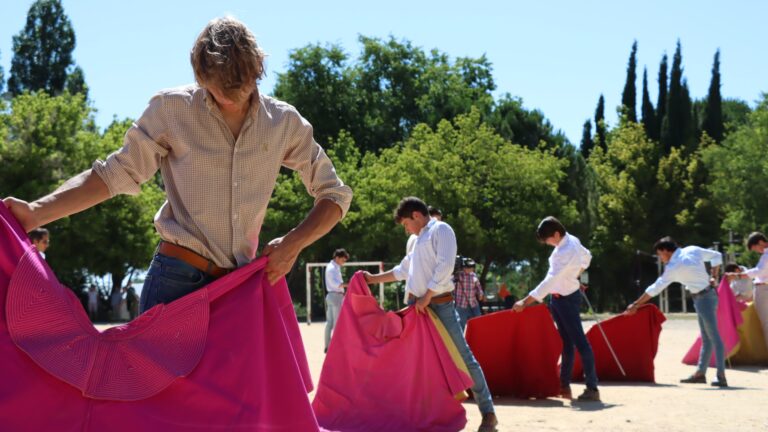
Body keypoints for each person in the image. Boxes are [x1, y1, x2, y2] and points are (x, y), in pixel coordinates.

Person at [3, 17, 352, 315]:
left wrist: (294, 243)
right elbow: (114, 174)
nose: (229, 101)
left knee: (240, 397)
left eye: (240, 90)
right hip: (174, 281)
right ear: (200, 78)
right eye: (217, 92)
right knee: (153, 397)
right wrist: (35, 213)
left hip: (239, 288)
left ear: (259, 69)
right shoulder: (171, 109)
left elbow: (335, 194)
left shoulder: (283, 122)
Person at [362, 197, 498, 432]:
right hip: (418, 308)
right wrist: (373, 279)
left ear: (416, 215)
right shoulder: (415, 240)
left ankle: (488, 412)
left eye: (406, 223)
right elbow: (404, 270)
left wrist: (428, 295)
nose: (406, 229)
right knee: (419, 363)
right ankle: (426, 415)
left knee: (463, 357)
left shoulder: (441, 229)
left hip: (439, 305)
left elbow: (445, 265)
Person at [513, 217, 600, 402]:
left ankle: (592, 387)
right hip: (562, 297)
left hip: (565, 299)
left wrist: (526, 301)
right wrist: (576, 275)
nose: (547, 244)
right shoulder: (573, 240)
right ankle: (564, 384)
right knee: (567, 343)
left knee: (579, 342)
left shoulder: (565, 251)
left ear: (556, 234)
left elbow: (550, 280)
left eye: (548, 240)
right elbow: (588, 257)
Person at [626, 236, 727, 387]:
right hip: (706, 295)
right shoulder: (692, 250)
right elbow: (717, 256)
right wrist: (714, 277)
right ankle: (700, 373)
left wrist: (636, 304)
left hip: (703, 298)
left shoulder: (674, 266)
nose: (660, 258)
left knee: (713, 337)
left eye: (660, 254)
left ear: (666, 251)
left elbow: (655, 288)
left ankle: (721, 376)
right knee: (707, 337)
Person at [726, 231, 768, 349]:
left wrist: (737, 275)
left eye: (755, 248)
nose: (756, 251)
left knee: (766, 323)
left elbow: (758, 271)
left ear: (760, 243)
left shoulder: (766, 256)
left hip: (764, 289)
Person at [324, 248, 349, 353]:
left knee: (329, 322)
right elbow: (337, 285)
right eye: (343, 260)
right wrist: (349, 284)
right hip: (335, 296)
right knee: (336, 323)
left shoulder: (332, 267)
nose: (343, 263)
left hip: (331, 296)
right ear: (337, 258)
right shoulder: (332, 269)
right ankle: (334, 348)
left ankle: (327, 345)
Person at [454, 258, 485, 330]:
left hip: (473, 304)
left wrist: (481, 294)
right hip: (461, 305)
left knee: (478, 323)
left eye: (472, 268)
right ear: (464, 267)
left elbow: (478, 287)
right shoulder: (459, 275)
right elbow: (452, 285)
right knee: (462, 325)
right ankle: (463, 340)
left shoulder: (474, 275)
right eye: (468, 267)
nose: (470, 269)